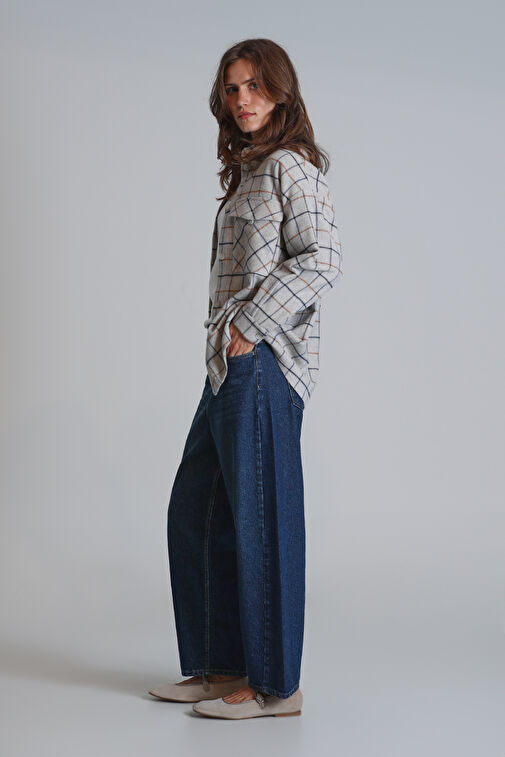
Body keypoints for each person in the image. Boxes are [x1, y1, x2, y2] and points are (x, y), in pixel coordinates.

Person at [149, 38, 343, 720]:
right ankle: (221, 666)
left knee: (262, 520)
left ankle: (274, 686)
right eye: (232, 88)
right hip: (228, 365)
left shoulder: (292, 165)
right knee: (197, 510)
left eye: (255, 86)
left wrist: (251, 326)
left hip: (264, 361)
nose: (242, 99)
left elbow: (323, 257)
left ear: (281, 92)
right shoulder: (249, 173)